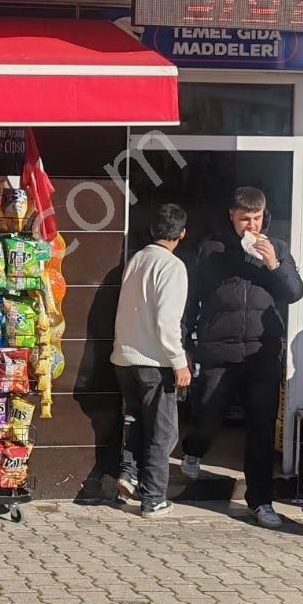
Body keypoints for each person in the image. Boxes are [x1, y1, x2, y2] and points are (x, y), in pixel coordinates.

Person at [181, 186, 303, 529]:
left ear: (264, 216)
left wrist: (274, 265)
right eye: (243, 219)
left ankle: (261, 501)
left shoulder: (277, 248)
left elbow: (294, 292)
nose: (250, 226)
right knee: (207, 410)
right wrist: (184, 343)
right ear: (231, 217)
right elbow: (191, 299)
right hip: (219, 347)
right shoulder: (211, 249)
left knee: (261, 429)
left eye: (256, 219)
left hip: (260, 354)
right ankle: (194, 448)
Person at [113, 203, 192, 518]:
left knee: (137, 420)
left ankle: (128, 474)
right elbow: (167, 322)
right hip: (153, 362)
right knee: (164, 431)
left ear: (151, 230)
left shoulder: (136, 260)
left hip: (124, 359)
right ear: (182, 233)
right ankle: (154, 499)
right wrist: (180, 361)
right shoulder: (172, 267)